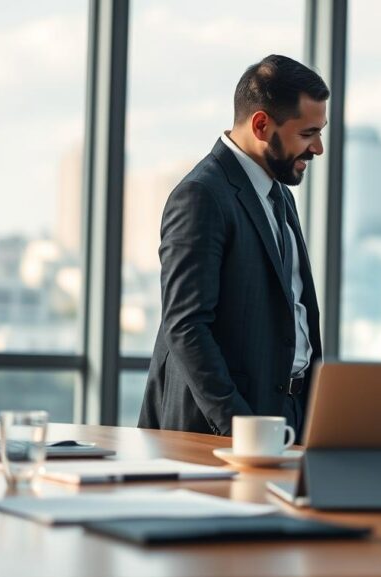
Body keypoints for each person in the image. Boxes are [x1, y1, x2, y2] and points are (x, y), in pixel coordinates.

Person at [138, 55, 328, 438]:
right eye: (308, 133)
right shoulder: (201, 195)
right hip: (223, 430)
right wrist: (240, 428)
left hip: (286, 416)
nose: (318, 148)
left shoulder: (279, 195)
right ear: (261, 124)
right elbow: (186, 325)